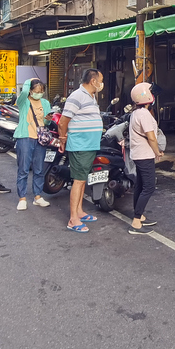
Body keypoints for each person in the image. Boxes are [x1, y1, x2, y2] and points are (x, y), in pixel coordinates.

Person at [58, 69, 104, 233]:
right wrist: (63, 139)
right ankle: (73, 219)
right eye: (101, 80)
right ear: (93, 81)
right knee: (78, 180)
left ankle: (79, 211)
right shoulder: (77, 96)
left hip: (88, 145)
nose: (101, 84)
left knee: (82, 179)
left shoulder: (90, 96)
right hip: (80, 145)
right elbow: (63, 122)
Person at [127, 82, 163, 235]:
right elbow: (152, 138)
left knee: (140, 186)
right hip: (145, 155)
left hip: (138, 154)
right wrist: (157, 152)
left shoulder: (136, 113)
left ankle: (139, 215)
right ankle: (136, 221)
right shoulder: (144, 114)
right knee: (149, 187)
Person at [13, 78, 51, 211]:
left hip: (40, 138)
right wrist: (30, 81)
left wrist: (48, 120)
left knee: (39, 168)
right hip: (25, 136)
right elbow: (22, 93)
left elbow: (47, 122)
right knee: (23, 168)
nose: (39, 93)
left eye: (41, 91)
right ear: (30, 90)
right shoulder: (23, 101)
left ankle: (38, 196)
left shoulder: (45, 103)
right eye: (36, 90)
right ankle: (22, 198)